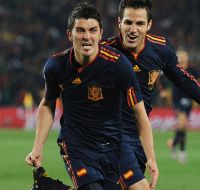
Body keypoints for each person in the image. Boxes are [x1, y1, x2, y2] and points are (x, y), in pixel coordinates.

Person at [101, 0, 200, 189]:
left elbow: (184, 80)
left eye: (139, 23)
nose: (133, 29)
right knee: (140, 187)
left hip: (140, 136)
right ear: (119, 22)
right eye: (128, 22)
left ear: (149, 25)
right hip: (110, 133)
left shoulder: (160, 49)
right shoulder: (102, 51)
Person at [25, 3, 158, 190]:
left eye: (93, 30)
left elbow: (139, 113)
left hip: (114, 145)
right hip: (78, 146)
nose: (87, 36)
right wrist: (38, 147)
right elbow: (48, 104)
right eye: (80, 30)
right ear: (69, 34)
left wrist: (151, 158)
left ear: (100, 33)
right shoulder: (56, 66)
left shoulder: (119, 66)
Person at [166, 50, 200, 164]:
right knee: (182, 124)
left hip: (189, 100)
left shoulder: (192, 70)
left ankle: (173, 144)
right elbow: (166, 81)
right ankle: (182, 152)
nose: (182, 58)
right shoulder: (173, 69)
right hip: (177, 100)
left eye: (183, 57)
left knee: (183, 126)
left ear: (187, 58)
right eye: (180, 57)